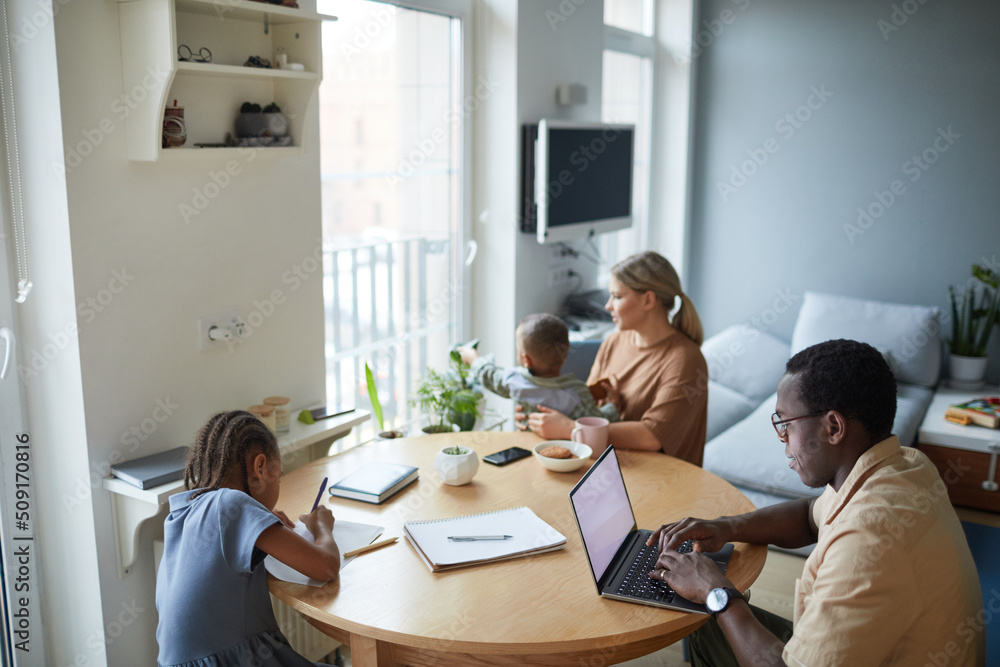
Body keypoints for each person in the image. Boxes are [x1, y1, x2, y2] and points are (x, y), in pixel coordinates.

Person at [646, 339, 985, 666]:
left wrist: (715, 591)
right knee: (710, 624)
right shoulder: (904, 463)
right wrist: (727, 526)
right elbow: (811, 516)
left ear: (833, 427)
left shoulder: (869, 541)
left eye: (786, 423)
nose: (782, 439)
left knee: (713, 613)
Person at [156, 411, 341, 667]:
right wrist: (323, 527)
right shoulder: (233, 504)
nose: (279, 481)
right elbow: (326, 567)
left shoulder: (183, 512)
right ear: (260, 467)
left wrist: (260, 518)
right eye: (279, 475)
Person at [519, 251, 708, 466]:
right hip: (609, 471)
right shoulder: (613, 342)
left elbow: (652, 436)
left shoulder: (686, 361)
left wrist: (569, 428)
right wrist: (536, 414)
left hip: (662, 481)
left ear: (648, 300)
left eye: (617, 297)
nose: (608, 306)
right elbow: (586, 407)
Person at [459, 313, 619, 422]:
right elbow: (598, 423)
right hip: (564, 458)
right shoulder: (577, 393)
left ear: (526, 359)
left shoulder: (514, 381)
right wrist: (613, 406)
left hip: (527, 451)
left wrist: (473, 358)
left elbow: (489, 375)